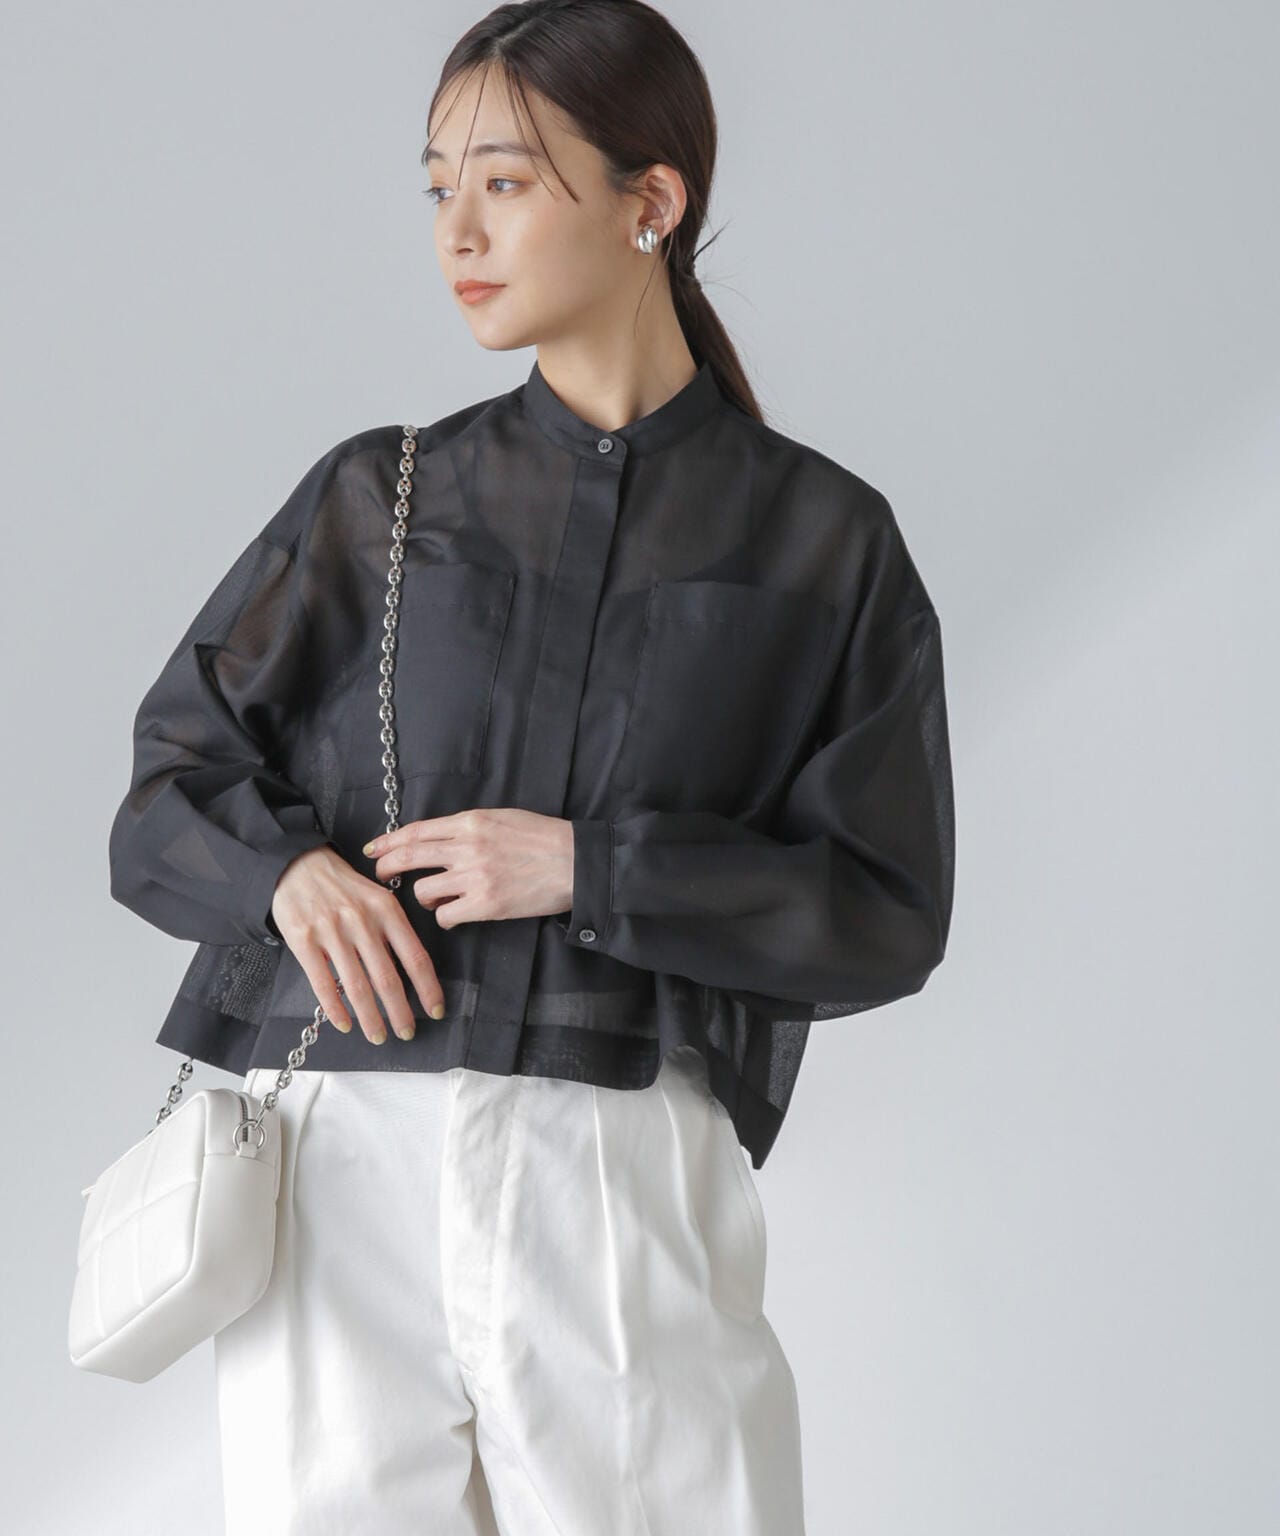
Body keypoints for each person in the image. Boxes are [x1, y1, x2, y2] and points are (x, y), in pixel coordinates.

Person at [108, 2, 956, 1530]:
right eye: (440, 187)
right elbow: (165, 785)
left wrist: (589, 867)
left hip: (613, 1163)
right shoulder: (379, 501)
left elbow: (884, 909)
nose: (459, 231)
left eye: (504, 181)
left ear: (652, 200)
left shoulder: (820, 542)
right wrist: (287, 878)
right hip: (342, 1159)